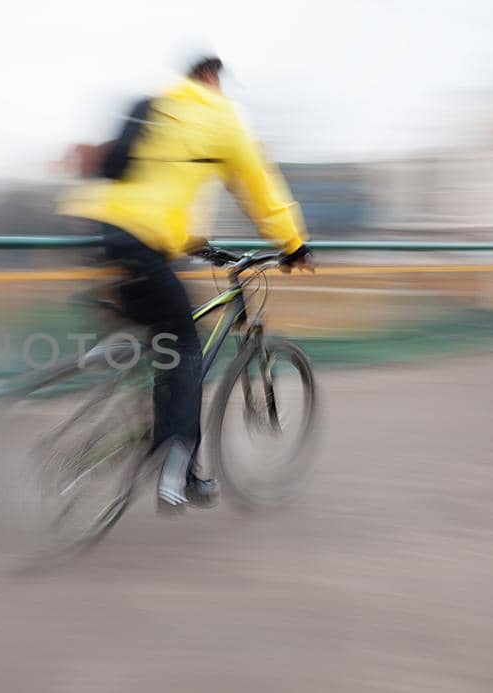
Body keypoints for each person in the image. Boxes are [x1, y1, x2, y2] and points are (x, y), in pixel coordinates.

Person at [62, 55, 314, 511]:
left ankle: (147, 427)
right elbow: (259, 187)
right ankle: (176, 471)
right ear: (213, 77)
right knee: (186, 347)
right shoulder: (220, 116)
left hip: (100, 234)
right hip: (142, 245)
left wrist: (196, 244)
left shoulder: (158, 105)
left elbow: (152, 187)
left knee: (160, 338)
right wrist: (293, 244)